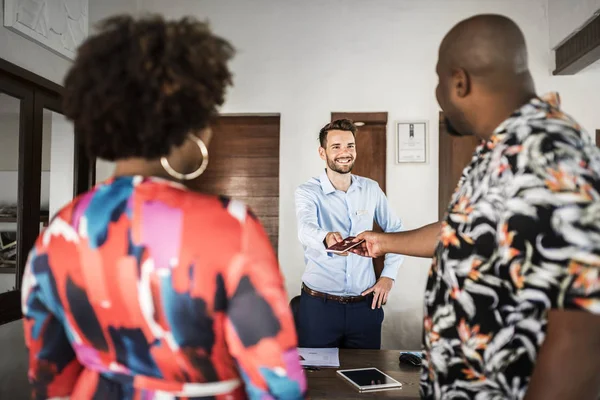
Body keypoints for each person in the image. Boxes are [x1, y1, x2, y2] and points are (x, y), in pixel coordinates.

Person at [20, 15, 306, 400]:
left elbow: (48, 376)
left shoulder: (59, 231)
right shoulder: (230, 227)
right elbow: (277, 382)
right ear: (186, 124)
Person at [353, 14, 600, 399]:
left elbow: (583, 337)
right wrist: (383, 243)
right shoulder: (502, 150)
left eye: (438, 80)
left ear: (459, 81)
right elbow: (466, 233)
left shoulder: (549, 155)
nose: (438, 91)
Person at [294, 119, 404, 349]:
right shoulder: (307, 191)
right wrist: (325, 237)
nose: (345, 152)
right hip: (318, 307)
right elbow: (305, 228)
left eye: (350, 146)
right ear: (322, 153)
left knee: (364, 377)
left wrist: (388, 276)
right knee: (317, 380)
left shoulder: (371, 188)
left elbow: (396, 230)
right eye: (336, 147)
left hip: (365, 307)